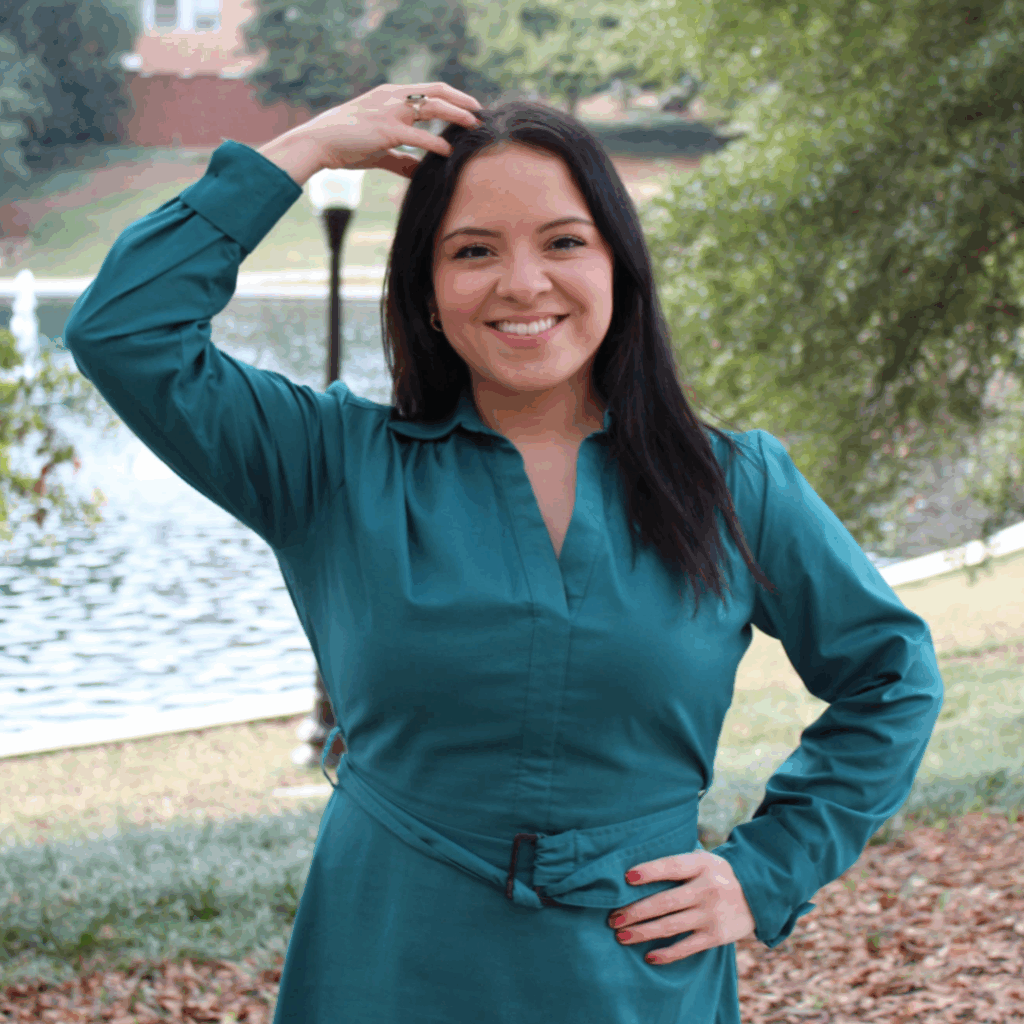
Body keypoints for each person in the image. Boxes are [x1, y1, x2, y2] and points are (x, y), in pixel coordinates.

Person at [62, 81, 945, 1024]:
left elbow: (891, 676)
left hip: (635, 978)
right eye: (474, 251)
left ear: (619, 268)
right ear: (428, 291)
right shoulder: (328, 465)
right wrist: (308, 147)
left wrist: (766, 871)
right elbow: (123, 331)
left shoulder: (735, 483)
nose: (524, 284)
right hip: (388, 959)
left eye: (564, 242)